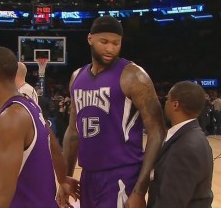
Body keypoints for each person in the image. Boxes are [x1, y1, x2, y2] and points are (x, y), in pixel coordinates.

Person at [60, 15, 166, 208]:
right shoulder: (77, 77)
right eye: (104, 42)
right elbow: (73, 132)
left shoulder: (134, 76)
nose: (110, 48)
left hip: (122, 176)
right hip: (89, 176)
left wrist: (140, 190)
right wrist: (65, 177)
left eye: (116, 43)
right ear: (90, 39)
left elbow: (157, 131)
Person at [0, 47, 77, 208]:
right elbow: (55, 149)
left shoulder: (11, 117)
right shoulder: (31, 105)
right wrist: (63, 179)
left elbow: (3, 192)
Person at [147, 81, 213, 208]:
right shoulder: (194, 136)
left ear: (175, 105)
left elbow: (170, 202)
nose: (165, 102)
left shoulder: (185, 147)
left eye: (168, 99)